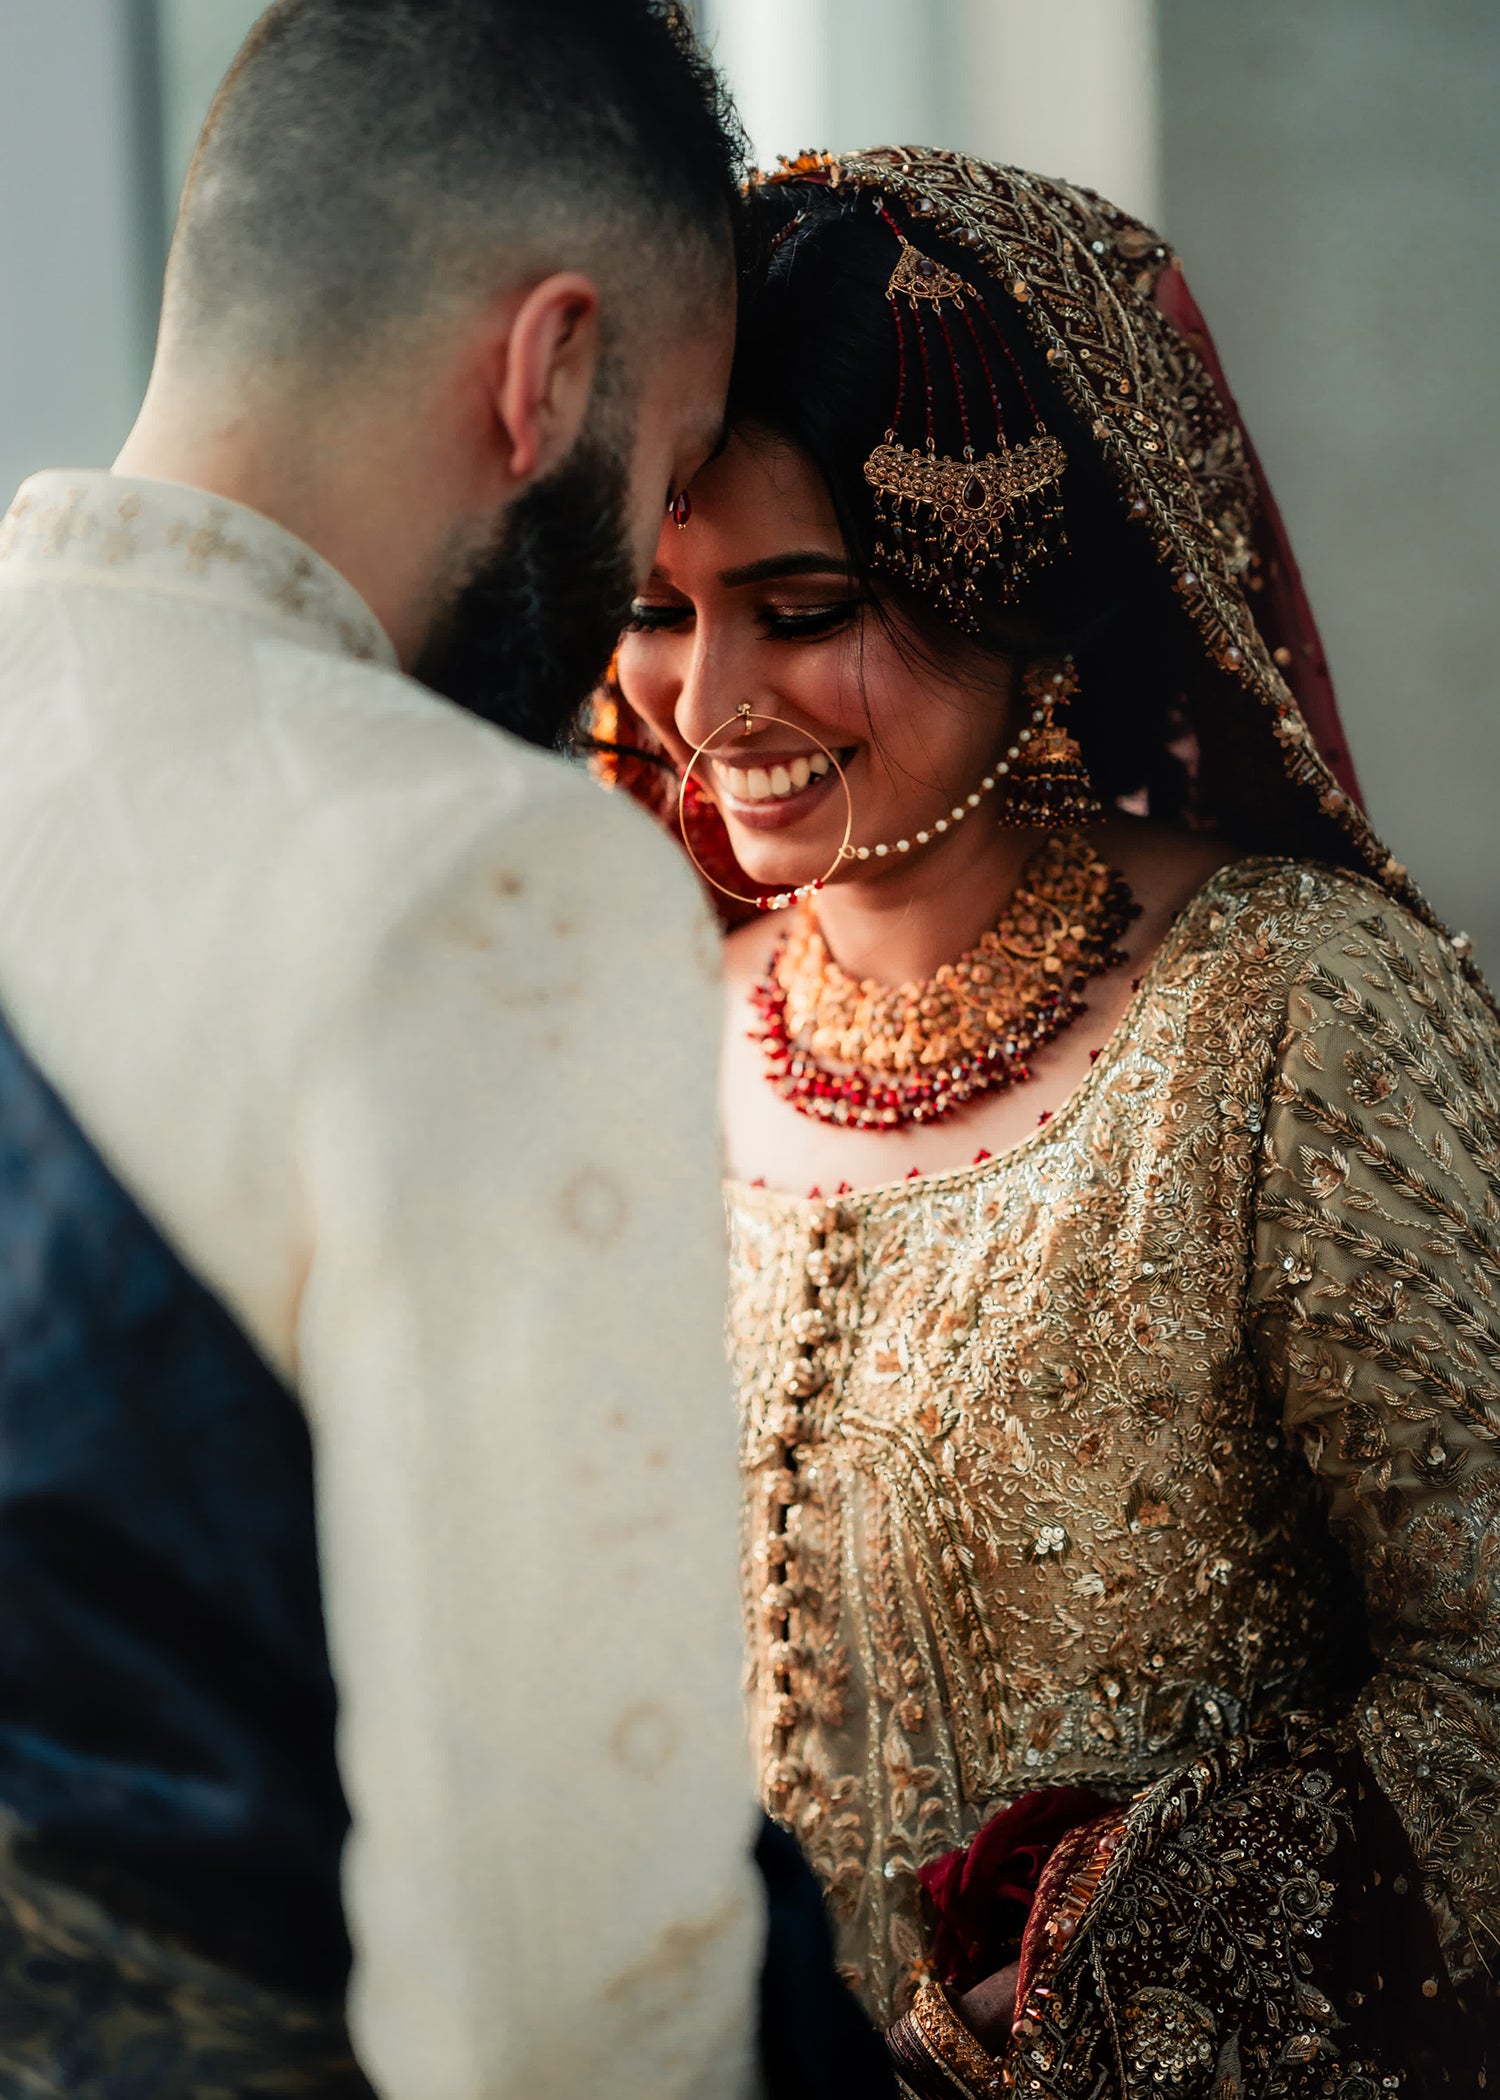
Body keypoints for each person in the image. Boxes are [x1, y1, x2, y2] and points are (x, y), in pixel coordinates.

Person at [0, 7, 891, 2096]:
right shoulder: (490, 882)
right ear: (545, 371)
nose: (646, 673)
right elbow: (562, 1998)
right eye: (663, 478)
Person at [600, 147, 1500, 2092]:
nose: (708, 700)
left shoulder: (1288, 1014)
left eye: (801, 603)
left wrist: (1154, 1948)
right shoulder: (635, 1026)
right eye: (658, 612)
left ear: (1012, 579)